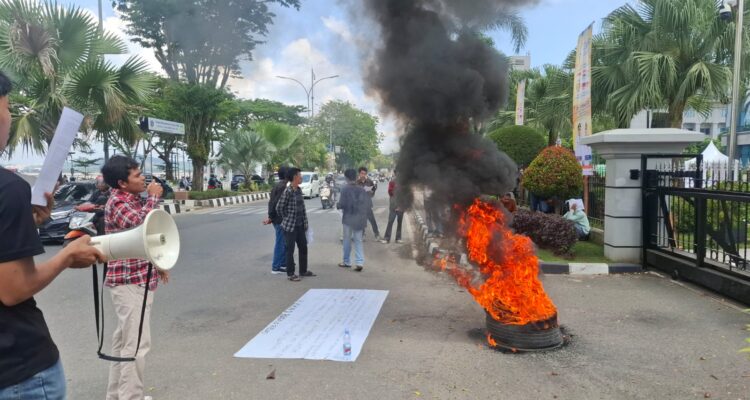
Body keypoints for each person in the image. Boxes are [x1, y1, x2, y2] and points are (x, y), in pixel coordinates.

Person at [0, 70, 106, 400]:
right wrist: (66, 257)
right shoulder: (7, 189)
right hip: (18, 371)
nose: (9, 117)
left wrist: (28, 223)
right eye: (7, 106)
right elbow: (13, 289)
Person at [101, 155, 169, 400]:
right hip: (129, 282)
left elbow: (145, 242)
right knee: (136, 344)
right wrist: (153, 197)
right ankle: (131, 397)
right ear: (122, 182)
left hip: (137, 278)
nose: (144, 179)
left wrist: (158, 265)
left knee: (124, 343)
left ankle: (116, 395)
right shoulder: (118, 202)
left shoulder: (131, 200)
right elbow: (141, 227)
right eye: (138, 175)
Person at [276, 168, 315, 282]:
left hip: (300, 225)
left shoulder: (298, 190)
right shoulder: (288, 191)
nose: (301, 177)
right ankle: (291, 274)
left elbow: (302, 208)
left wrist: (305, 222)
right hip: (290, 227)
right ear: (294, 177)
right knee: (290, 250)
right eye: (299, 175)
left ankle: (303, 271)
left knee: (303, 247)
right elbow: (279, 208)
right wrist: (287, 217)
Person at [338, 169, 368, 271]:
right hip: (359, 219)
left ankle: (347, 261)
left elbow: (342, 204)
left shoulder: (344, 189)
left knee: (347, 240)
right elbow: (365, 204)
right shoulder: (361, 189)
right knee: (358, 240)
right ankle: (359, 262)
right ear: (356, 177)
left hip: (348, 219)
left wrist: (338, 205)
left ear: (346, 178)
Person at [264, 166, 289, 274]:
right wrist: (273, 217)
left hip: (276, 218)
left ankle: (283, 263)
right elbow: (276, 204)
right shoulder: (283, 187)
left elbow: (271, 202)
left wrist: (270, 216)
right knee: (280, 242)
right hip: (280, 219)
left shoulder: (277, 186)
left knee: (284, 242)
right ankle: (276, 267)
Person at [380, 172, 404, 244]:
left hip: (401, 206)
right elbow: (390, 192)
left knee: (399, 222)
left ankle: (398, 238)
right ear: (395, 174)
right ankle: (387, 238)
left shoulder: (404, 182)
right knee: (390, 221)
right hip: (393, 205)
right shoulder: (392, 182)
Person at [356, 167, 380, 240]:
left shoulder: (369, 181)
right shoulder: (356, 182)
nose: (363, 175)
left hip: (367, 204)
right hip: (359, 205)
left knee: (372, 220)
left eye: (364, 173)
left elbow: (373, 190)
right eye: (362, 173)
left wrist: (371, 192)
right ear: (359, 174)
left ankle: (377, 234)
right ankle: (362, 234)